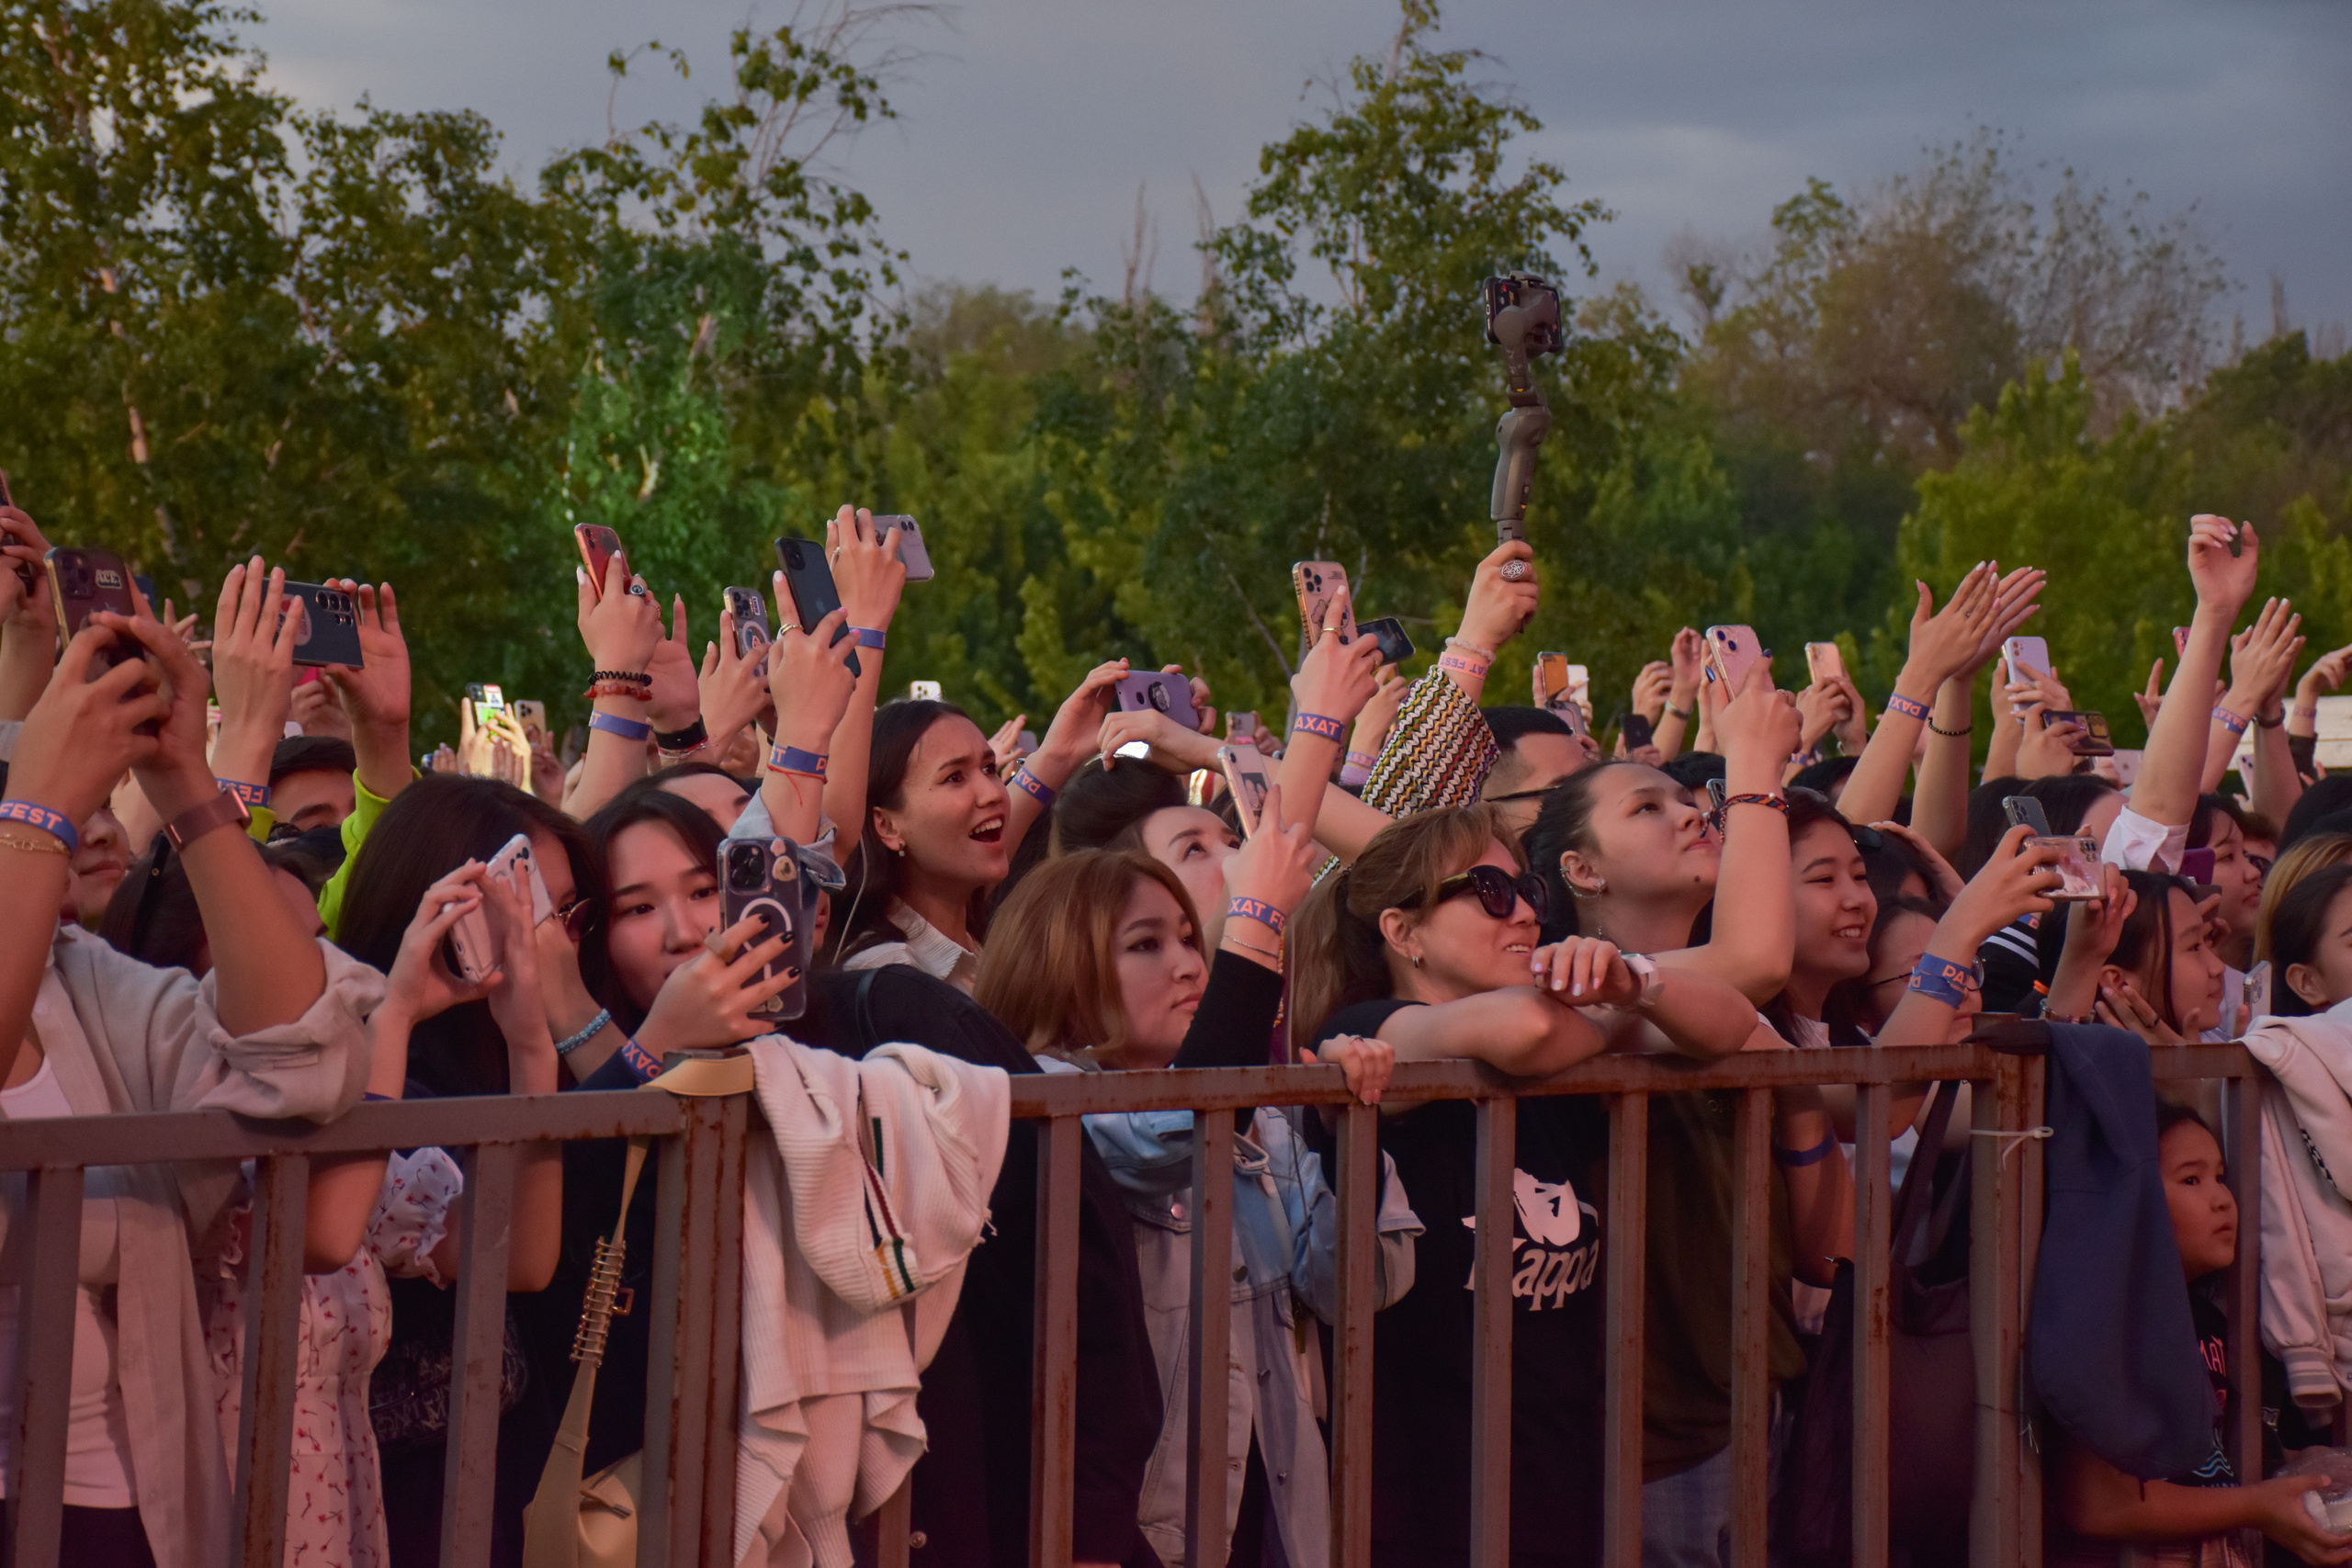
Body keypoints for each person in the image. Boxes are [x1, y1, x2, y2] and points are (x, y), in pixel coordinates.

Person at [0, 604, 379, 1568]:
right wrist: (35, 807)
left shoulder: (78, 979)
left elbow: (300, 1055)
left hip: (110, 1512)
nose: (84, 829)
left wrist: (187, 788)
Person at [1288, 804, 1761, 1567]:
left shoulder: (1567, 1026)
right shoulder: (1374, 1026)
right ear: (1403, 931)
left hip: (1565, 1478)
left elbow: (1733, 1022)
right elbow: (1529, 1033)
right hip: (1425, 1496)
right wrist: (1610, 1000)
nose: (1524, 913)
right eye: (1487, 890)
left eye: (1529, 891)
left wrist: (1630, 978)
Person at [979, 841, 1408, 1568]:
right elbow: (1177, 1135)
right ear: (1058, 966)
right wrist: (1257, 920)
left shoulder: (1261, 1111)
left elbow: (1360, 1289)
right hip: (1140, 1528)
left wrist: (1344, 1134)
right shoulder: (1045, 1094)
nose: (1187, 964)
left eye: (1188, 937)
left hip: (1276, 1520)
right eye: (1145, 944)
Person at [2048, 1106, 2352, 1566]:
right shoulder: (2112, 1323)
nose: (2223, 1199)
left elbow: (2211, 1471)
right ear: (2132, 1198)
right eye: (2191, 1181)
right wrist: (2259, 1505)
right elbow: (2099, 1504)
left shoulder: (2203, 1319)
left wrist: (2303, 1468)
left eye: (2220, 1177)